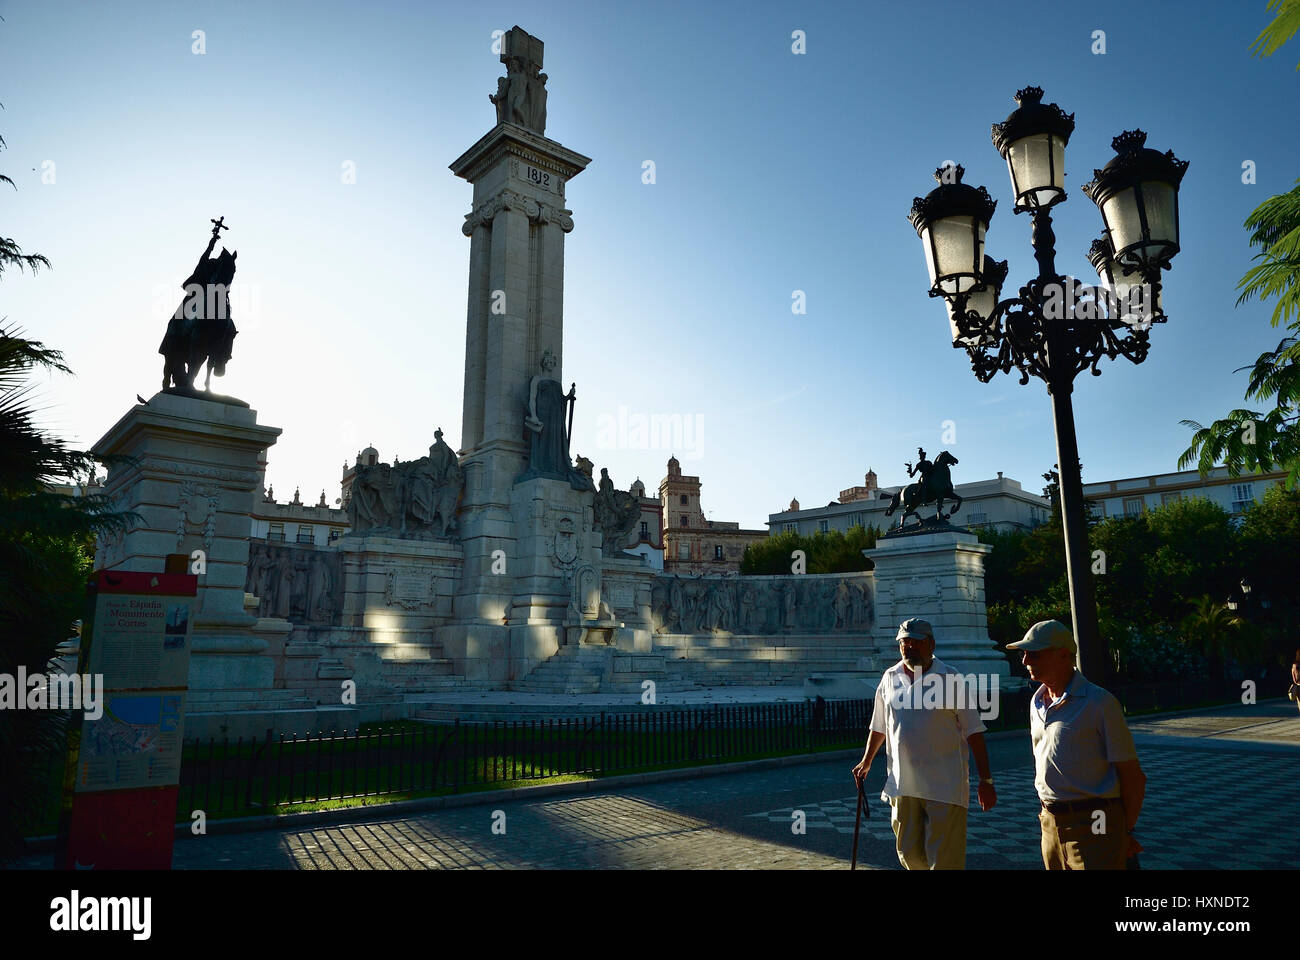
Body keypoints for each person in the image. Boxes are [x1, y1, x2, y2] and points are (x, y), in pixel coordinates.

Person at [852, 618, 995, 870]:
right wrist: (866, 761)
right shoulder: (890, 677)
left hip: (945, 785)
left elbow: (974, 731)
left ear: (931, 643)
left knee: (944, 861)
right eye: (904, 642)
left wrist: (986, 780)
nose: (909, 648)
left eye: (916, 642)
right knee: (909, 855)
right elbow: (879, 726)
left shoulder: (951, 678)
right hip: (903, 784)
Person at [1007, 620, 1145, 870]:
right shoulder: (1036, 702)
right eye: (1024, 654)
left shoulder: (1099, 703)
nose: (1026, 660)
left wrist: (1123, 831)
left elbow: (1133, 776)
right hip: (1050, 820)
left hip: (1095, 819)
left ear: (1063, 655)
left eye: (1034, 653)